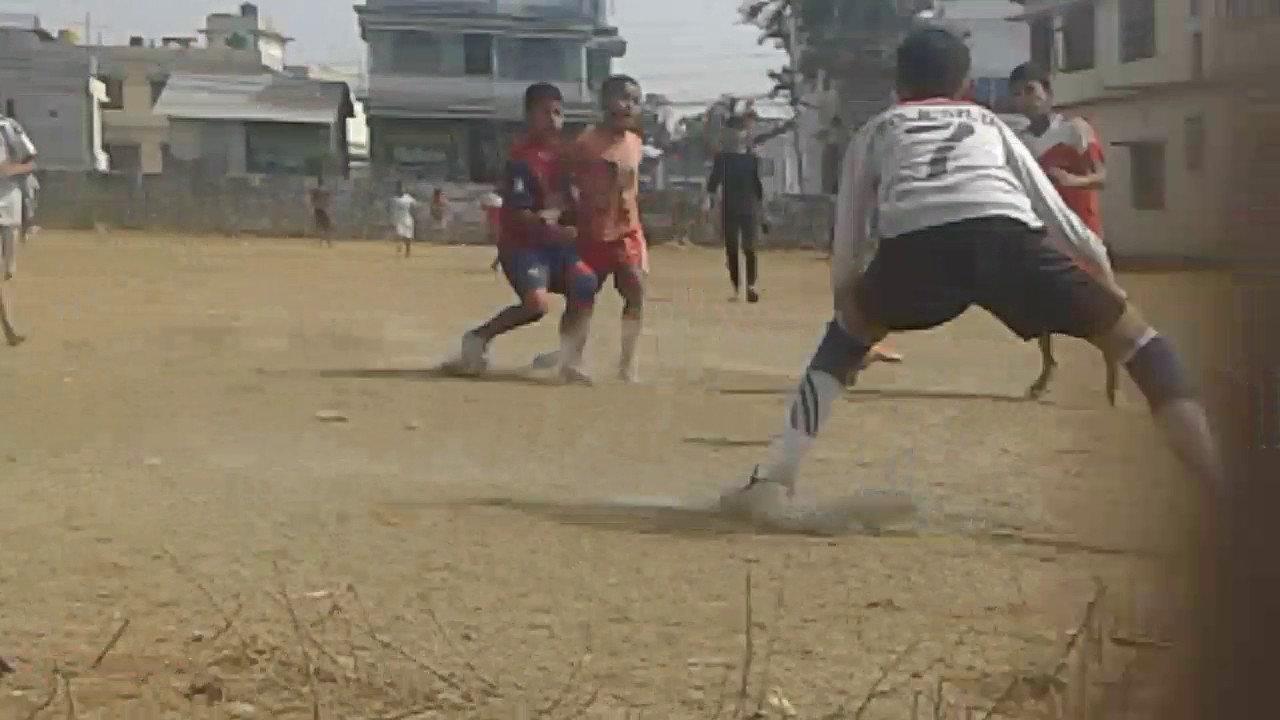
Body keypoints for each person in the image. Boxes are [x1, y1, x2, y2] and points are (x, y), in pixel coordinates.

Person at [722, 28, 1223, 516]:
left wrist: (850, 318)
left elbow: (849, 229)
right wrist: (1105, 277)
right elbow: (1054, 213)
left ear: (898, 85)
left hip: (916, 249)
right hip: (1006, 239)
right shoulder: (989, 123)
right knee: (1140, 343)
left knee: (840, 342)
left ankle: (774, 480)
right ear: (964, 85)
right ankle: (1218, 484)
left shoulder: (876, 130)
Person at [454, 82, 599, 383]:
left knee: (585, 282)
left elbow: (573, 200)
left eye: (558, 113)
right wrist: (553, 227)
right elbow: (520, 214)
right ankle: (478, 337)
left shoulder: (565, 157)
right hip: (522, 246)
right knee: (536, 306)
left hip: (555, 246)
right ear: (529, 116)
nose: (554, 119)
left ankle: (571, 358)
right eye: (546, 112)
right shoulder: (520, 159)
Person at [1009, 62, 1115, 401]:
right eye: (1018, 94)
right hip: (1045, 230)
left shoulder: (1076, 130)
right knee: (1041, 300)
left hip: (1083, 227)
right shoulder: (1021, 143)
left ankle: (1112, 368)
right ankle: (1048, 365)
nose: (1025, 100)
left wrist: (1073, 181)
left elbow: (1102, 177)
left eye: (1030, 90)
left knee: (1104, 301)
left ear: (1048, 93)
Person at [707, 115, 764, 302]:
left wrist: (762, 210)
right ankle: (736, 287)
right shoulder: (722, 159)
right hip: (729, 207)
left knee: (749, 248)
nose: (737, 134)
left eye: (740, 130)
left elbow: (757, 186)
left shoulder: (752, 159)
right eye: (733, 130)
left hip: (749, 207)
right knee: (732, 247)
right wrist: (709, 203)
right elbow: (713, 184)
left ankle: (751, 286)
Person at [0, 112, 35, 346]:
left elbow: (28, 160)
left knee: (7, 273)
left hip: (8, 208)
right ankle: (9, 327)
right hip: (7, 209)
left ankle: (9, 327)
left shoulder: (7, 127)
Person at [390, 183, 418, 257]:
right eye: (399, 189)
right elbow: (393, 210)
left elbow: (415, 204)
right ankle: (400, 245)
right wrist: (393, 219)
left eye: (402, 189)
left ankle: (407, 250)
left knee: (407, 236)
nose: (401, 190)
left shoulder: (407, 197)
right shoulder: (395, 199)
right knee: (399, 234)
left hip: (407, 218)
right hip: (399, 219)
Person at [309, 177, 333, 247]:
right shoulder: (325, 190)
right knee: (327, 226)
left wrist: (312, 206)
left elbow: (312, 198)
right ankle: (327, 242)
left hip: (317, 209)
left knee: (320, 226)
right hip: (323, 209)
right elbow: (328, 198)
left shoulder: (315, 190)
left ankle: (322, 241)